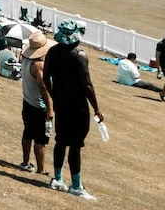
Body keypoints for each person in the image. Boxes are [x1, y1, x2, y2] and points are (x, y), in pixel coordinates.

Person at [42, 19, 102, 201]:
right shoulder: (79, 55)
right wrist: (97, 108)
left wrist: (54, 95)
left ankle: (58, 178)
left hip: (61, 104)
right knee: (76, 145)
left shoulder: (52, 51)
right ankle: (76, 185)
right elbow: (88, 86)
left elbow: (46, 78)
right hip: (78, 106)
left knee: (60, 141)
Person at [19, 30, 55, 174]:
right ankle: (41, 169)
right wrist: (50, 108)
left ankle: (25, 162)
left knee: (27, 133)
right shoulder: (38, 66)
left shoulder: (26, 60)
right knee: (41, 139)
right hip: (38, 106)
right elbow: (44, 89)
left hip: (27, 101)